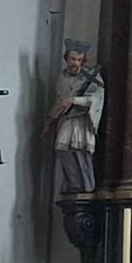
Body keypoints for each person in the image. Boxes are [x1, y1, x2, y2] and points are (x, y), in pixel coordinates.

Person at [50, 45, 105, 195]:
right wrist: (50, 120)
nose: (75, 63)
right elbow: (60, 100)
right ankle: (74, 183)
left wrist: (74, 100)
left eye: (79, 60)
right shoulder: (62, 78)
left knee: (80, 151)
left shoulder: (92, 76)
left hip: (82, 119)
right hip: (67, 118)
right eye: (72, 59)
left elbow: (97, 98)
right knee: (62, 148)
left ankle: (86, 185)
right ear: (67, 59)